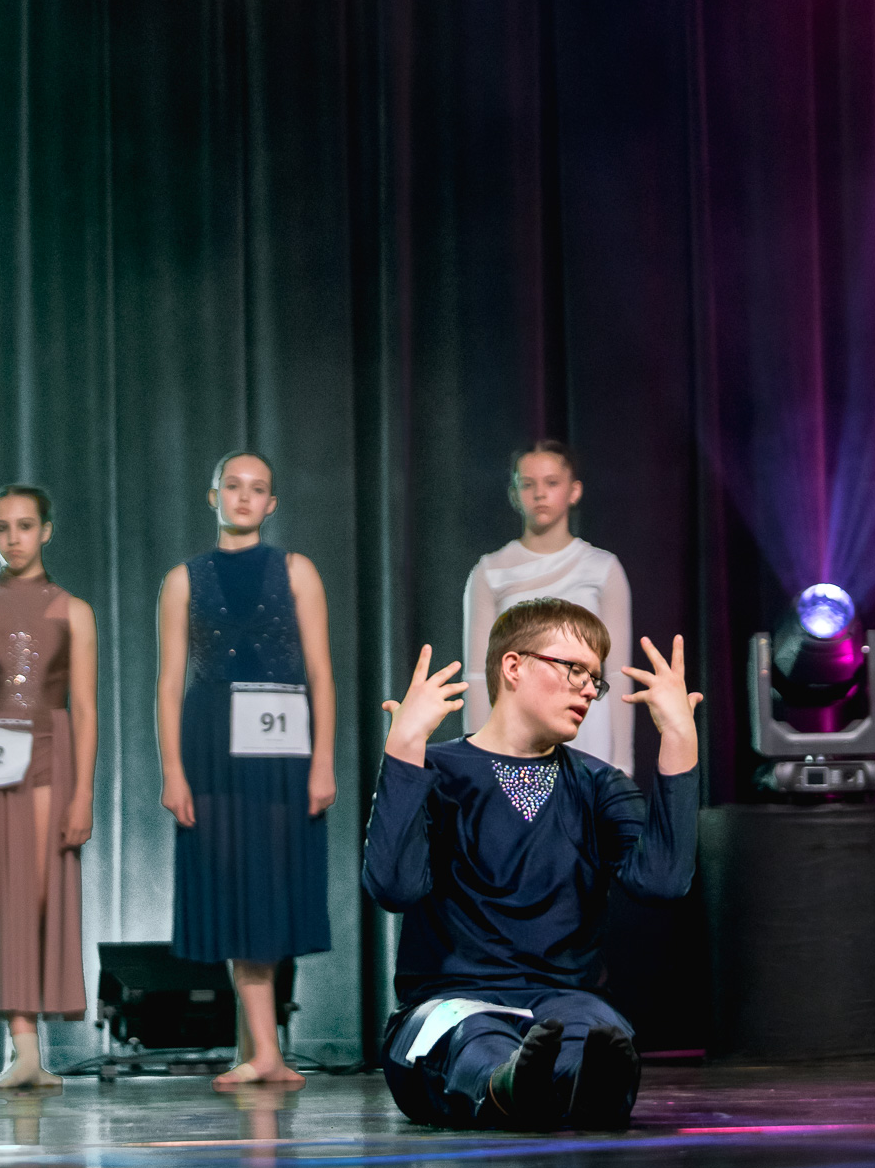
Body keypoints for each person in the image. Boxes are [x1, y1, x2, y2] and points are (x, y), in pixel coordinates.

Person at [363, 596, 700, 1131]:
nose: (588, 689)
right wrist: (405, 748)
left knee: (593, 1034)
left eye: (595, 679)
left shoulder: (599, 784)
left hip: (564, 999)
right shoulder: (437, 771)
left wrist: (680, 737)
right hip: (453, 1001)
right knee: (474, 1039)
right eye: (573, 669)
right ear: (513, 666)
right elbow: (393, 887)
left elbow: (662, 881)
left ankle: (579, 1090)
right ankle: (509, 1087)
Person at [156, 450, 337, 1090]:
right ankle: (264, 1052)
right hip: (213, 751)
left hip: (284, 751)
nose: (243, 497)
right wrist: (173, 771)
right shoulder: (183, 580)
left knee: (272, 889)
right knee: (236, 889)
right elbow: (169, 684)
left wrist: (323, 760)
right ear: (213, 496)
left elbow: (321, 673)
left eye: (257, 489)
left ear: (272, 503)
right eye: (232, 486)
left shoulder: (297, 571)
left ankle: (258, 1048)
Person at [0, 485, 97, 1089]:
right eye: (1, 527)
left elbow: (86, 709)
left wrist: (83, 794)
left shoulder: (74, 611)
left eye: (25, 526)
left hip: (50, 756)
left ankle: (32, 1050)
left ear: (46, 531)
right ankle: (24, 1050)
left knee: (38, 896)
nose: (13, 538)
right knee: (0, 899)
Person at [463, 441, 634, 773]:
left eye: (552, 482)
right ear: (514, 494)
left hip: (586, 726)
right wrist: (478, 759)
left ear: (574, 491)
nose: (540, 494)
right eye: (528, 484)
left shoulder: (602, 569)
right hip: (517, 729)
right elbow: (479, 674)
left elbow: (617, 673)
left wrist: (621, 764)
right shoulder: (491, 572)